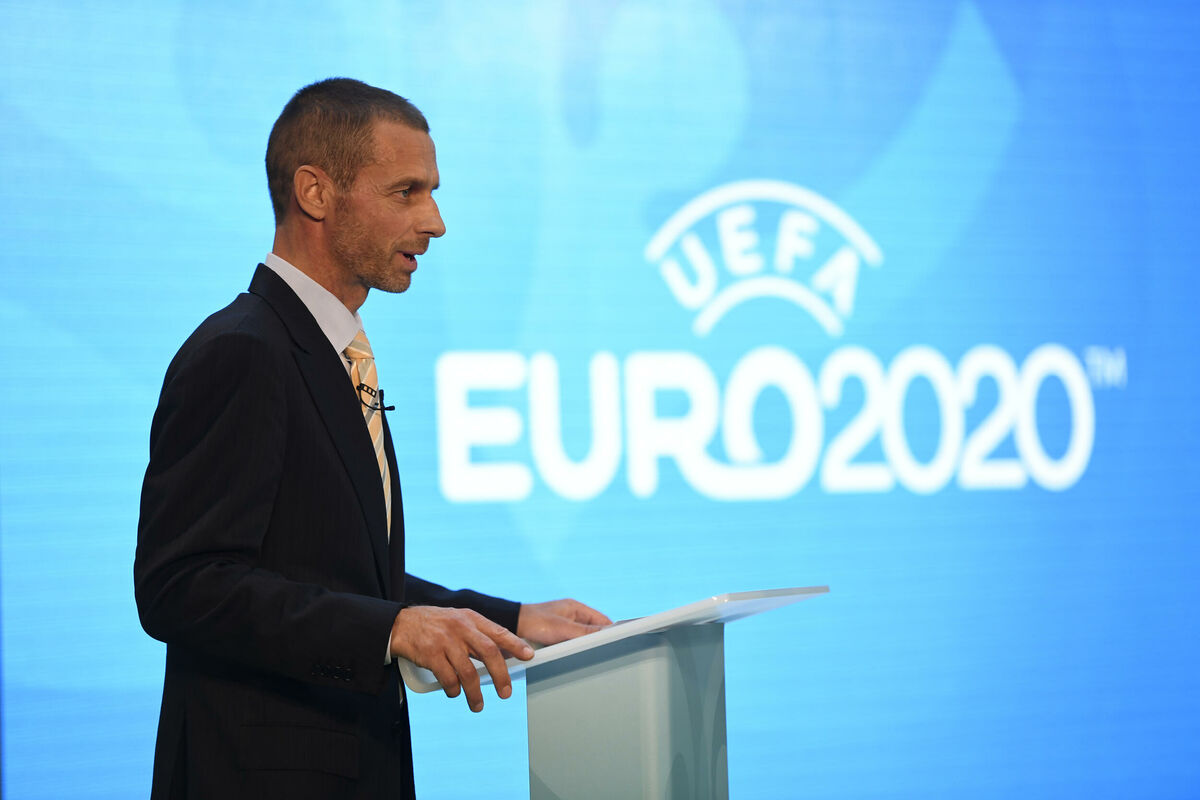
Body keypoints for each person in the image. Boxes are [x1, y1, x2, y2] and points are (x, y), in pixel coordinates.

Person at [134, 77, 610, 800]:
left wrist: (510, 622)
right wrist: (387, 632)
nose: (435, 222)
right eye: (406, 192)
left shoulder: (328, 351)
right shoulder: (242, 351)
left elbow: (332, 575)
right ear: (315, 193)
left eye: (432, 192)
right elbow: (182, 586)